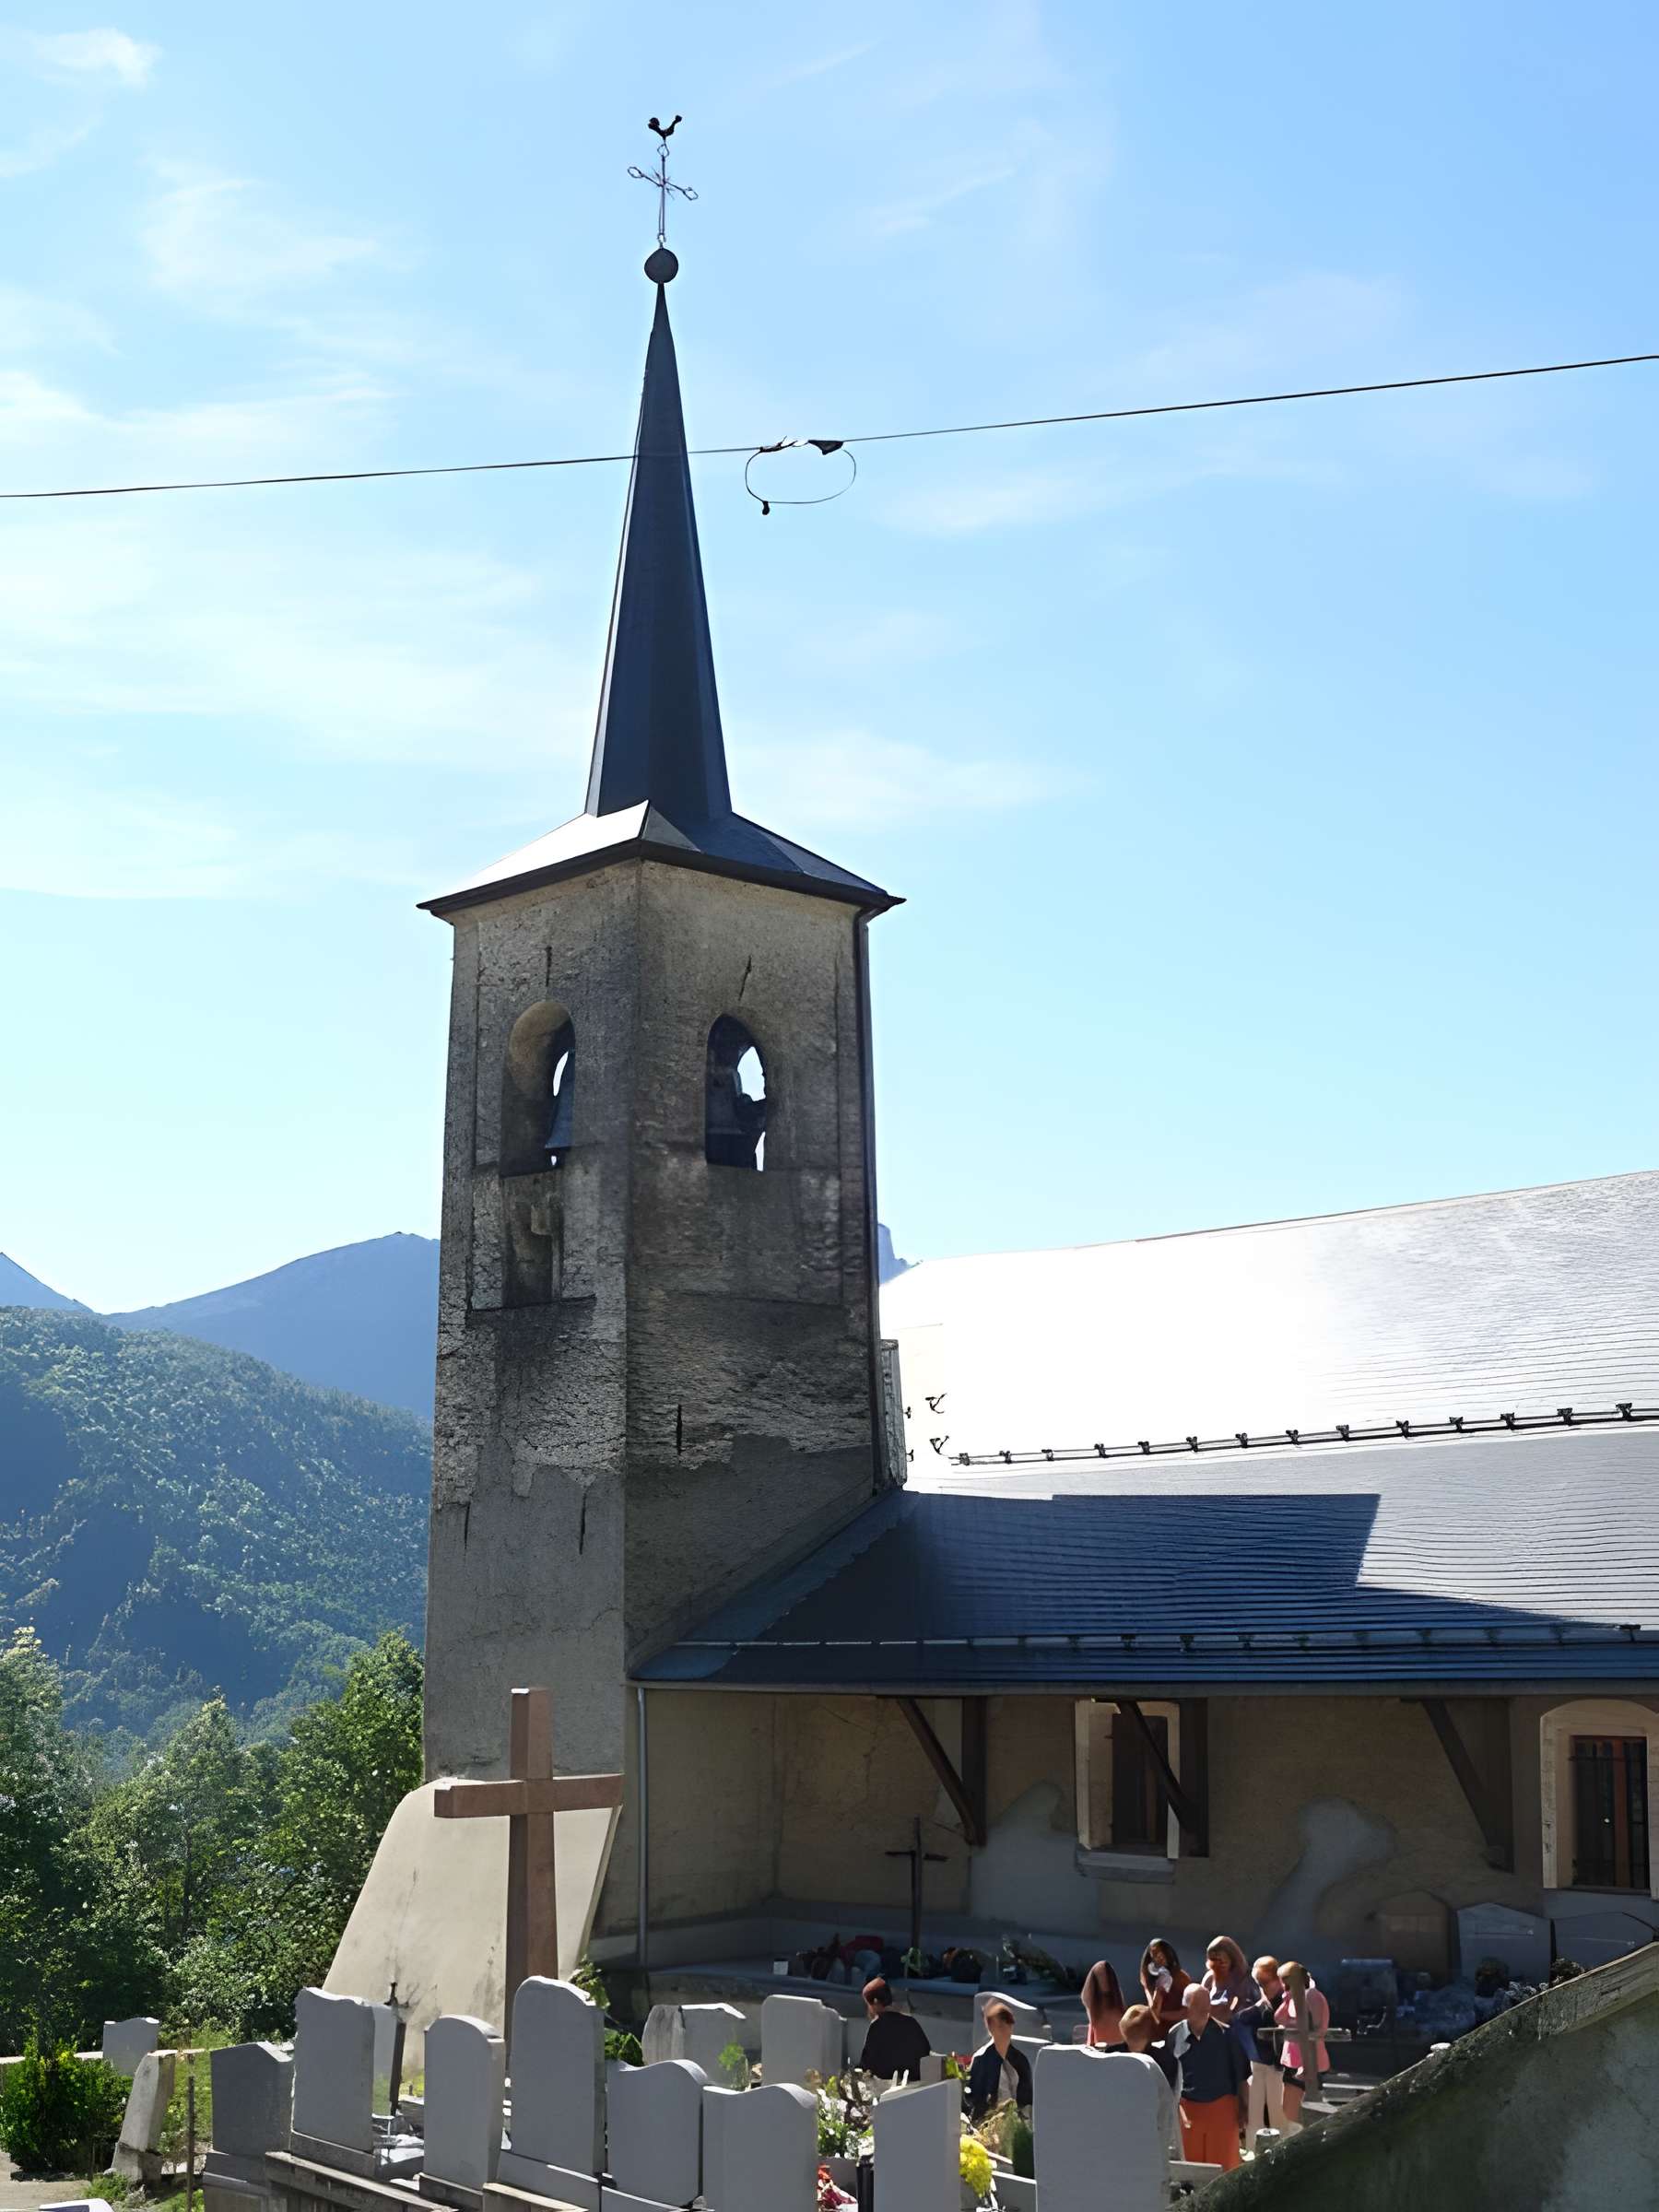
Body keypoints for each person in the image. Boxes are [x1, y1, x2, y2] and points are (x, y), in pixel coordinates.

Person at [1175, 1984, 1248, 2172]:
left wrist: (1244, 2107)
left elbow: (1241, 2075)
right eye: (1196, 2005)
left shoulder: (1227, 2035)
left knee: (1224, 2169)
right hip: (1188, 2110)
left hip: (1222, 2108)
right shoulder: (1175, 2035)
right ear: (1185, 2008)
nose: (1203, 2010)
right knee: (1193, 2171)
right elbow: (1171, 2076)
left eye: (1205, 2005)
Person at [1234, 1954, 1288, 2145]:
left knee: (1278, 2116)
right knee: (1256, 2116)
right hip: (1259, 2069)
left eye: (1266, 1982)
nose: (1262, 1988)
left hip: (1281, 2072)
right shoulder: (1255, 2012)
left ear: (1278, 1980)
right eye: (1259, 1983)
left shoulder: (1288, 2005)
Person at [1276, 1960, 1330, 2131]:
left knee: (1311, 2113)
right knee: (1288, 2112)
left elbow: (1318, 2029)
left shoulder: (1312, 1996)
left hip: (1309, 2063)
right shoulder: (1293, 1997)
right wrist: (1286, 2000)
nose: (1284, 1985)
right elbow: (1279, 2018)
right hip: (1292, 2062)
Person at [967, 2001, 1032, 2119]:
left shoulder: (1020, 2060)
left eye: (1007, 2025)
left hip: (1015, 2121)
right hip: (987, 2121)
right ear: (990, 2027)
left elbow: (1027, 2099)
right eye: (999, 2026)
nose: (1004, 2030)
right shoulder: (981, 2059)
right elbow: (975, 2098)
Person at [858, 1976, 931, 2082]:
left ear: (876, 2002)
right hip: (917, 2084)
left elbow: (867, 2066)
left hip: (888, 2087)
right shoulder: (911, 2022)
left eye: (869, 2005)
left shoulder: (876, 2027)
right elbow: (925, 2053)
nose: (869, 2010)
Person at [1139, 1937, 1191, 2032]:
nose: (1159, 1958)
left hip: (1178, 2027)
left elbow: (1186, 2012)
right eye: (1154, 1955)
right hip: (1157, 2026)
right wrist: (1159, 1989)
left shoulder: (1181, 1978)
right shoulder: (1148, 1977)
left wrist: (1161, 2015)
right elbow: (1153, 2007)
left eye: (1161, 1953)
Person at [1201, 1936, 1253, 2022]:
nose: (1218, 1965)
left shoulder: (1245, 1979)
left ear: (1232, 1959)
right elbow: (1199, 2004)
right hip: (1209, 2024)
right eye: (1214, 1960)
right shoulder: (1210, 1978)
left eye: (1221, 1962)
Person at [1081, 1959, 1128, 2046]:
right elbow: (1093, 2025)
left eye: (1105, 1976)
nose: (1103, 1980)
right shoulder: (1094, 2003)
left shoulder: (1117, 1998)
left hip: (1119, 2044)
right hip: (1102, 2045)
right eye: (1100, 1976)